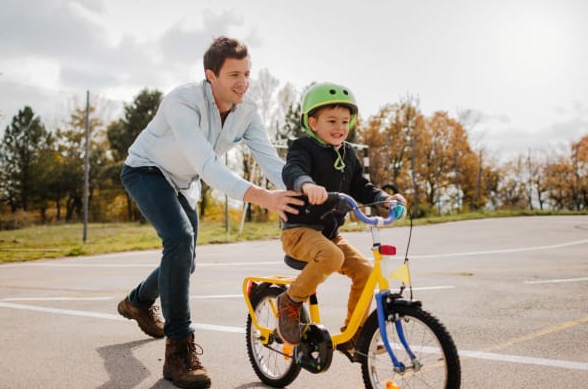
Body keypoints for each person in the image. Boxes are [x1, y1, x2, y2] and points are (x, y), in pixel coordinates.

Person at [117, 36, 303, 389]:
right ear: (210, 76)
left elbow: (270, 160)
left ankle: (137, 302)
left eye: (247, 73)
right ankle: (178, 353)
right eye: (234, 74)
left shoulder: (246, 111)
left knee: (185, 259)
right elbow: (205, 162)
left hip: (183, 182)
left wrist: (300, 187)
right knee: (179, 239)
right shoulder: (182, 102)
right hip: (146, 171)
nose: (243, 82)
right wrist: (264, 197)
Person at [276, 82, 407, 349]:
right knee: (332, 257)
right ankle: (289, 301)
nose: (339, 127)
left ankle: (354, 334)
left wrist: (384, 199)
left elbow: (361, 186)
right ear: (313, 123)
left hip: (329, 234)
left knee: (367, 271)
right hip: (299, 230)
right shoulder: (302, 147)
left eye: (345, 121)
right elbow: (293, 170)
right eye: (331, 120)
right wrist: (306, 184)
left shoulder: (349, 155)